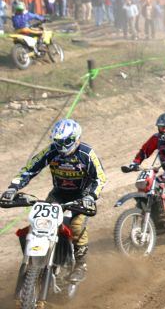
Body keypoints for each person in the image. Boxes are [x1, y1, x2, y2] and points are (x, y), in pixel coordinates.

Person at [1, 119, 106, 281]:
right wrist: (13, 188)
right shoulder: (50, 151)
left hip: (82, 196)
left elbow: (99, 178)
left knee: (76, 226)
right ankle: (37, 259)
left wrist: (91, 197)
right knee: (40, 222)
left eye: (66, 141)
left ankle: (81, 264)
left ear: (77, 139)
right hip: (58, 193)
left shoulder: (86, 153)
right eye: (58, 141)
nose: (62, 146)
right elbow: (30, 169)